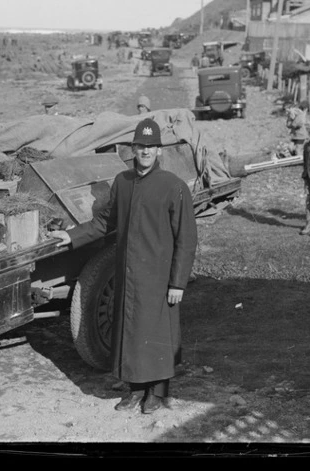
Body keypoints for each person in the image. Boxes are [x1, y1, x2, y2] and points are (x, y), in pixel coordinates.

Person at [47, 118, 198, 415]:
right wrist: (70, 235)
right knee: (130, 333)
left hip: (158, 276)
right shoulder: (123, 182)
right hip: (129, 275)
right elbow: (105, 222)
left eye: (150, 147)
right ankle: (135, 390)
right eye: (140, 147)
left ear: (158, 151)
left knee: (158, 334)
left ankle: (157, 393)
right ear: (133, 149)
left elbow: (186, 239)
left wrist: (178, 282)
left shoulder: (173, 187)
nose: (145, 152)